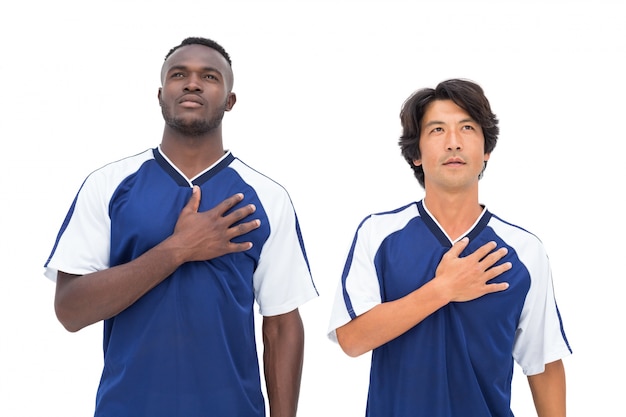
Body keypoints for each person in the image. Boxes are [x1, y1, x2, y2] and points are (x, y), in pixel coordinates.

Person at [44, 36, 318, 417]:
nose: (192, 83)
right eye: (179, 74)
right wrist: (178, 249)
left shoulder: (267, 197)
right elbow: (70, 311)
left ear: (230, 100)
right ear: (160, 94)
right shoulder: (109, 185)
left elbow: (282, 324)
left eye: (209, 76)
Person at [327, 78, 571, 417]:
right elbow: (352, 339)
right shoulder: (378, 234)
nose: (453, 143)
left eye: (467, 128)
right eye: (437, 130)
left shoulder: (524, 251)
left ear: (486, 151)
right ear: (415, 154)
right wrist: (443, 289)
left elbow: (542, 362)